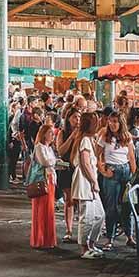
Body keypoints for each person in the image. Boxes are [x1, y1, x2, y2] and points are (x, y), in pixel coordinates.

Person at [97, 111, 137, 250]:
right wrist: (102, 170)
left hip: (125, 171)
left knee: (127, 206)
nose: (112, 124)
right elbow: (96, 156)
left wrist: (134, 176)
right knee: (111, 207)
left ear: (121, 123)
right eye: (110, 121)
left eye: (115, 121)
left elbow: (132, 157)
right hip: (111, 172)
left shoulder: (127, 137)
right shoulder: (104, 136)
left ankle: (129, 236)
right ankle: (110, 238)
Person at [71, 112, 104, 259]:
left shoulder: (89, 139)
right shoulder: (84, 140)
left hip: (89, 180)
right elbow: (85, 163)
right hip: (85, 181)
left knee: (99, 215)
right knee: (88, 216)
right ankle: (84, 248)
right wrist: (93, 181)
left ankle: (91, 244)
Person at [29, 124, 57, 249]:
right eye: (50, 133)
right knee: (41, 209)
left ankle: (48, 239)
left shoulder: (49, 148)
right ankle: (39, 239)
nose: (53, 135)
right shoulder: (39, 147)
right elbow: (45, 162)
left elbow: (50, 162)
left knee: (49, 210)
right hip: (42, 181)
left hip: (51, 180)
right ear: (44, 134)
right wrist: (54, 161)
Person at [56, 108, 81, 243]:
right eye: (74, 117)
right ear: (68, 119)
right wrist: (71, 137)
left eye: (79, 117)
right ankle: (69, 229)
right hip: (66, 169)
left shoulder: (83, 134)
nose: (77, 120)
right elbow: (60, 151)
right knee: (69, 200)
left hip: (79, 168)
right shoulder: (63, 133)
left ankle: (81, 228)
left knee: (79, 200)